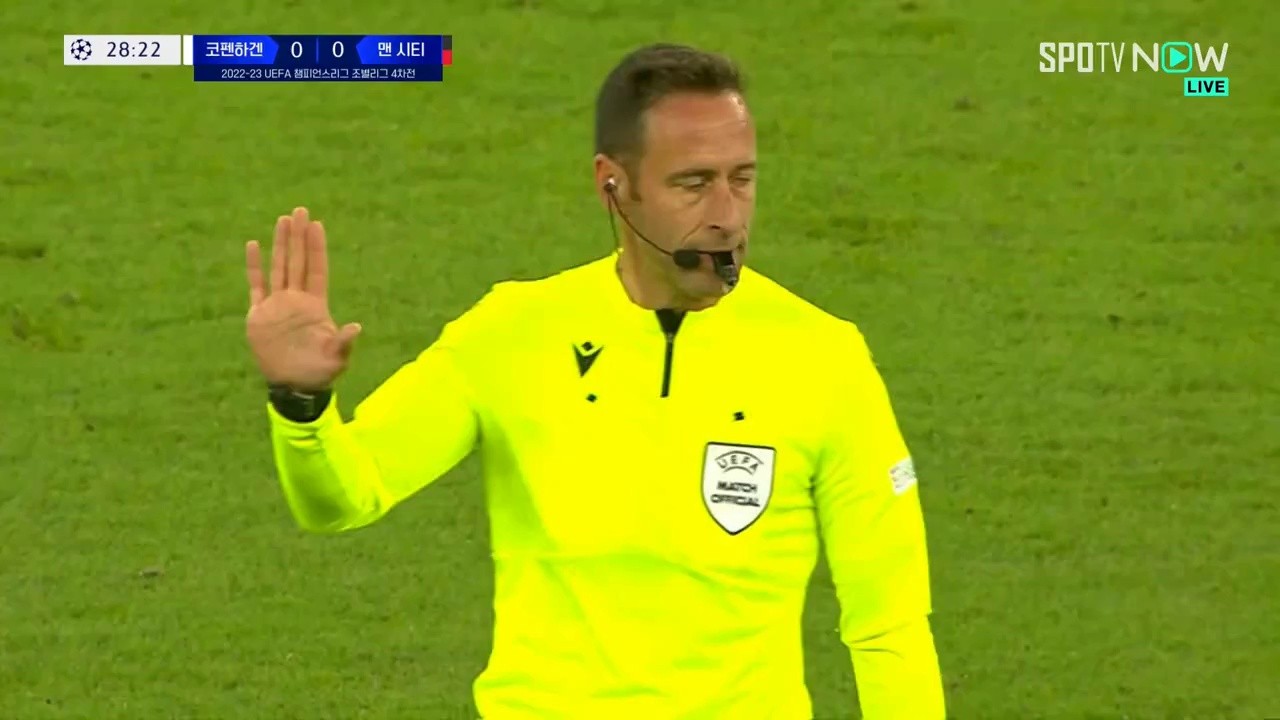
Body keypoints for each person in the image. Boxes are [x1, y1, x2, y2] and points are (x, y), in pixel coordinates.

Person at [243, 43, 945, 720]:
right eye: (693, 183)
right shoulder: (511, 333)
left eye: (742, 178)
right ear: (613, 184)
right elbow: (345, 497)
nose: (727, 214)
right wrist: (302, 405)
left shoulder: (823, 357)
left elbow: (889, 622)